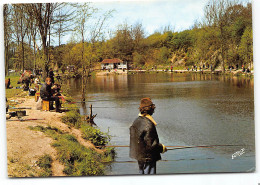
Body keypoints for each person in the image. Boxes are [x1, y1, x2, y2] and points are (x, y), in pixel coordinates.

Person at [129, 97, 167, 174]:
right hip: (148, 158)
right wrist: (162, 148)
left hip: (139, 156)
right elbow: (152, 145)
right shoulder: (149, 124)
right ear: (151, 110)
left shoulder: (136, 121)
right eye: (153, 108)